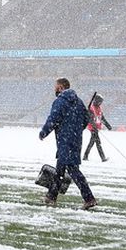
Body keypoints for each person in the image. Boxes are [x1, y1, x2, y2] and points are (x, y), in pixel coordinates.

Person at [38, 77, 96, 209]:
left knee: (73, 170)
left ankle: (89, 198)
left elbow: (53, 119)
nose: (55, 89)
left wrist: (44, 132)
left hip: (65, 140)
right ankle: (51, 197)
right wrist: (76, 130)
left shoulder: (60, 102)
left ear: (61, 87)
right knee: (60, 169)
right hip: (75, 140)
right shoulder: (79, 101)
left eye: (56, 86)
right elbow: (86, 118)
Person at [83, 93, 113, 162]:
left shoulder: (99, 108)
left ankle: (85, 156)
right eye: (100, 102)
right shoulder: (91, 108)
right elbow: (90, 119)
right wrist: (94, 126)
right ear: (96, 101)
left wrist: (108, 126)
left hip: (96, 128)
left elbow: (102, 118)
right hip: (93, 128)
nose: (100, 103)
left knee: (92, 143)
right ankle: (103, 158)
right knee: (98, 143)